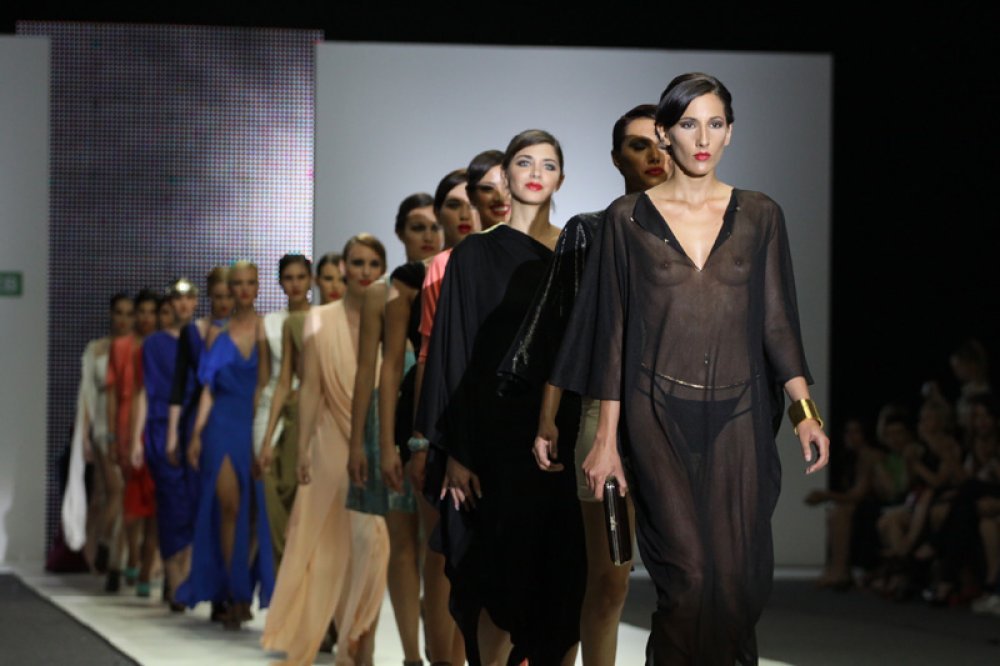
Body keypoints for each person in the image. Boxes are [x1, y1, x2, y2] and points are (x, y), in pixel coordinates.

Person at [551, 73, 828, 665]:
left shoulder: (761, 214)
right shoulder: (626, 219)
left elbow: (778, 323)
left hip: (741, 416)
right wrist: (606, 442)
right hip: (656, 413)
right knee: (690, 579)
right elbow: (613, 336)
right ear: (664, 134)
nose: (702, 138)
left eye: (715, 123)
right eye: (688, 124)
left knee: (737, 585)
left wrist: (805, 411)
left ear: (731, 133)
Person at [498, 103, 670, 666]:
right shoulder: (590, 231)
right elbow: (562, 329)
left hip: (685, 419)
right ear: (616, 157)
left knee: (688, 577)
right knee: (611, 577)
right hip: (606, 419)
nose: (654, 155)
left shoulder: (705, 234)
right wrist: (548, 417)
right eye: (639, 145)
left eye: (661, 142)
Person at [417, 130, 584, 666]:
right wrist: (457, 451)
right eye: (524, 162)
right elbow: (454, 356)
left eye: (548, 164)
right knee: (495, 577)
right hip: (492, 440)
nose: (536, 173)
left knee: (560, 582)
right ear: (506, 176)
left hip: (561, 434)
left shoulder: (579, 253)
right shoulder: (474, 254)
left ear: (562, 178)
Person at [261, 235, 390, 666]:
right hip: (330, 440)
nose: (364, 271)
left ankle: (360, 641)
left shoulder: (390, 315)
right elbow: (311, 386)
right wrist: (301, 449)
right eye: (357, 262)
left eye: (373, 263)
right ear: (344, 268)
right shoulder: (317, 319)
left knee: (372, 543)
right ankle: (347, 644)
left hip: (374, 437)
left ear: (382, 269)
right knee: (331, 547)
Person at [347, 192, 446, 666]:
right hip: (389, 419)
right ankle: (412, 655)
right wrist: (362, 443)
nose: (427, 235)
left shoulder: (451, 277)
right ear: (400, 233)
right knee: (402, 545)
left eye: (433, 226)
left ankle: (439, 638)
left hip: (435, 414)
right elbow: (368, 369)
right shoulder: (381, 292)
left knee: (437, 547)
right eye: (416, 227)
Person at [176, 261, 274, 629]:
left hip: (256, 423)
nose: (244, 290)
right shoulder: (217, 335)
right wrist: (196, 433)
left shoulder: (268, 327)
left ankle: (242, 586)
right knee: (229, 507)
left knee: (255, 514)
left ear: (258, 287)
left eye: (250, 283)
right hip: (221, 425)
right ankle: (234, 593)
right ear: (229, 290)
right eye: (238, 284)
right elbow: (208, 389)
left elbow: (272, 381)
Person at [131, 281, 198, 608]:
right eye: (176, 298)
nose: (182, 304)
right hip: (160, 428)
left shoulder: (203, 337)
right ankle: (175, 581)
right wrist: (136, 438)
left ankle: (183, 580)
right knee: (171, 504)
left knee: (193, 503)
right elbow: (144, 391)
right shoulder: (154, 344)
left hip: (196, 427)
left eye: (188, 297)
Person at [61, 294, 131, 571]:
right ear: (111, 314)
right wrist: (84, 437)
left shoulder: (140, 347)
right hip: (103, 428)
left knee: (108, 494)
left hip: (131, 427)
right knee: (112, 491)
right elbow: (86, 396)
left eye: (129, 313)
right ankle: (98, 549)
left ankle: (113, 557)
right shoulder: (97, 349)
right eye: (119, 312)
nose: (123, 319)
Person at [256, 254, 313, 566]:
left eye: (300, 277)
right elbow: (267, 379)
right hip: (273, 408)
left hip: (309, 411)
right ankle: (280, 572)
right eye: (288, 278)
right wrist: (264, 435)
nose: (295, 284)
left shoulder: (321, 318)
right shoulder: (270, 322)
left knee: (302, 492)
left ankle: (299, 571)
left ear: (310, 280)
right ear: (279, 282)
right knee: (271, 492)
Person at [106, 288, 158, 594]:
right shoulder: (121, 346)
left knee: (153, 501)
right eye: (143, 312)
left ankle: (144, 567)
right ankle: (132, 557)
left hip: (156, 424)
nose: (146, 318)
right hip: (128, 424)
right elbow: (113, 394)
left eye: (153, 312)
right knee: (130, 499)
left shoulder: (162, 345)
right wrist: (114, 435)